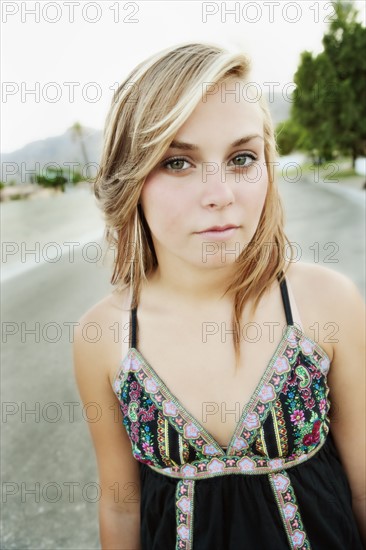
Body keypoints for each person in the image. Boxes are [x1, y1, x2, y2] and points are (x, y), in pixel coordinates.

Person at [73, 42, 365, 549]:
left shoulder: (326, 303)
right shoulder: (104, 337)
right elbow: (120, 506)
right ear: (131, 178)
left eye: (242, 158)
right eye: (178, 163)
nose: (220, 193)